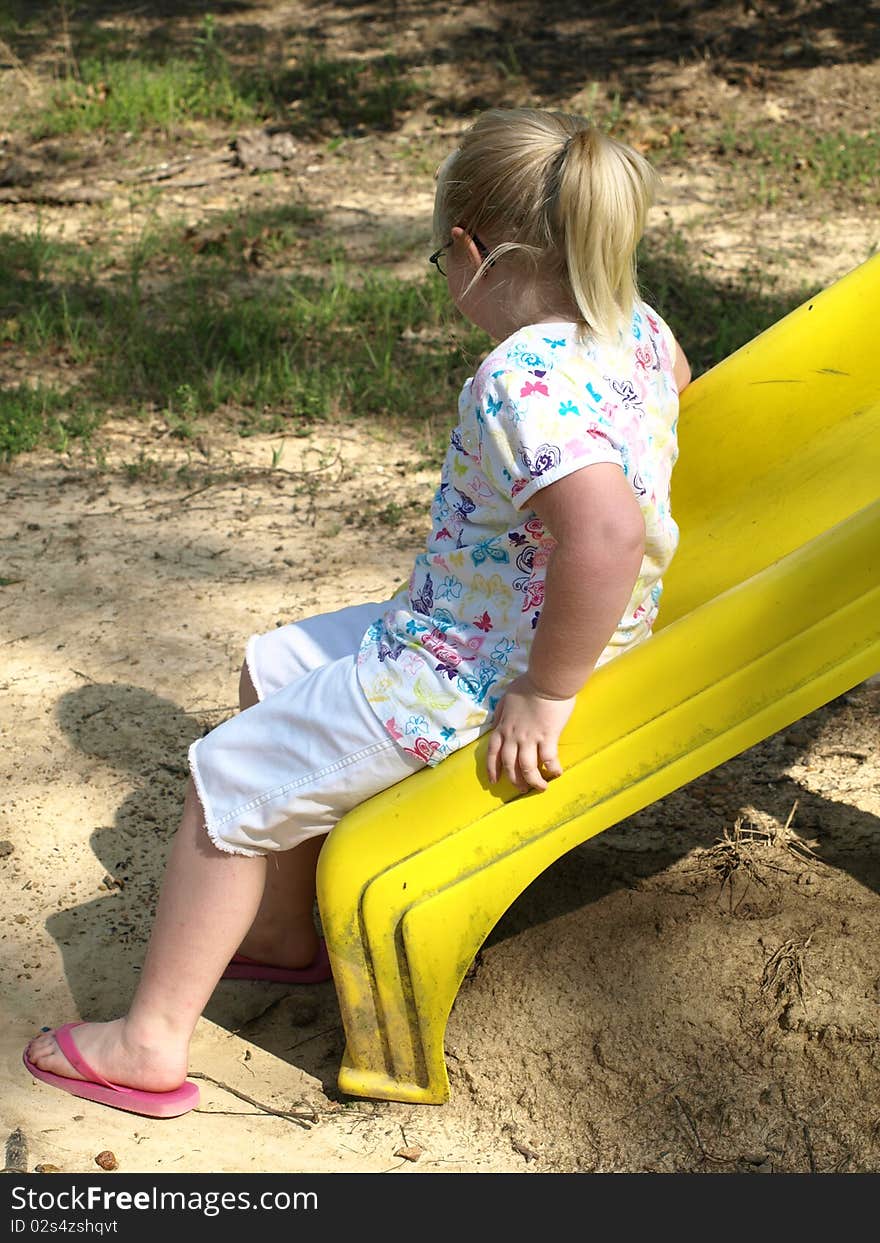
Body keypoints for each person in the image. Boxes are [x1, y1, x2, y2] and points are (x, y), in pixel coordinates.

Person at [23, 107, 691, 1118]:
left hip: (473, 672)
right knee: (272, 662)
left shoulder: (522, 377)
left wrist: (545, 694)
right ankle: (288, 941)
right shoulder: (638, 329)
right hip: (483, 625)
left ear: (468, 251)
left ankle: (149, 1040)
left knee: (225, 777)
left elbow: (601, 535)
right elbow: (675, 391)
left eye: (438, 258)